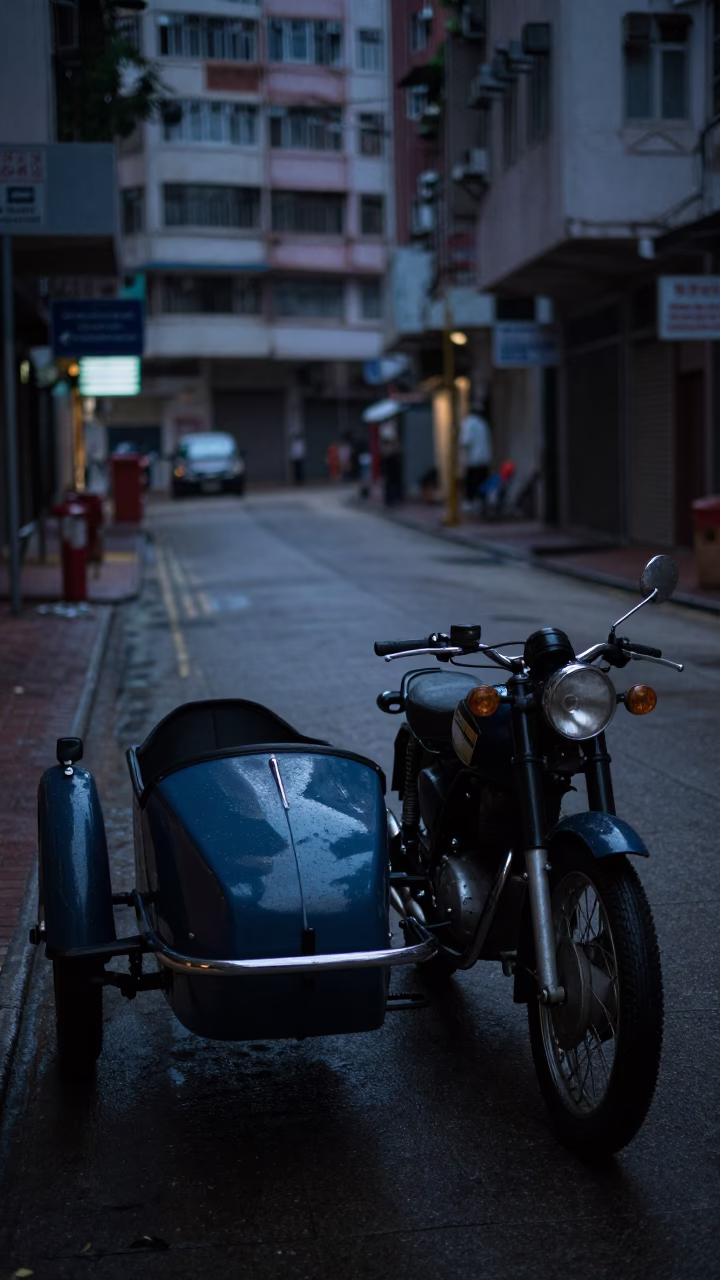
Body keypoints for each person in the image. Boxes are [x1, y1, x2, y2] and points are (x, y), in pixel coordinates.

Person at [460, 401, 492, 509]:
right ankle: (482, 502)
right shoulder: (483, 423)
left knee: (472, 482)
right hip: (485, 458)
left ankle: (470, 502)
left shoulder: (469, 423)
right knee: (482, 482)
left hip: (473, 459)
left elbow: (465, 442)